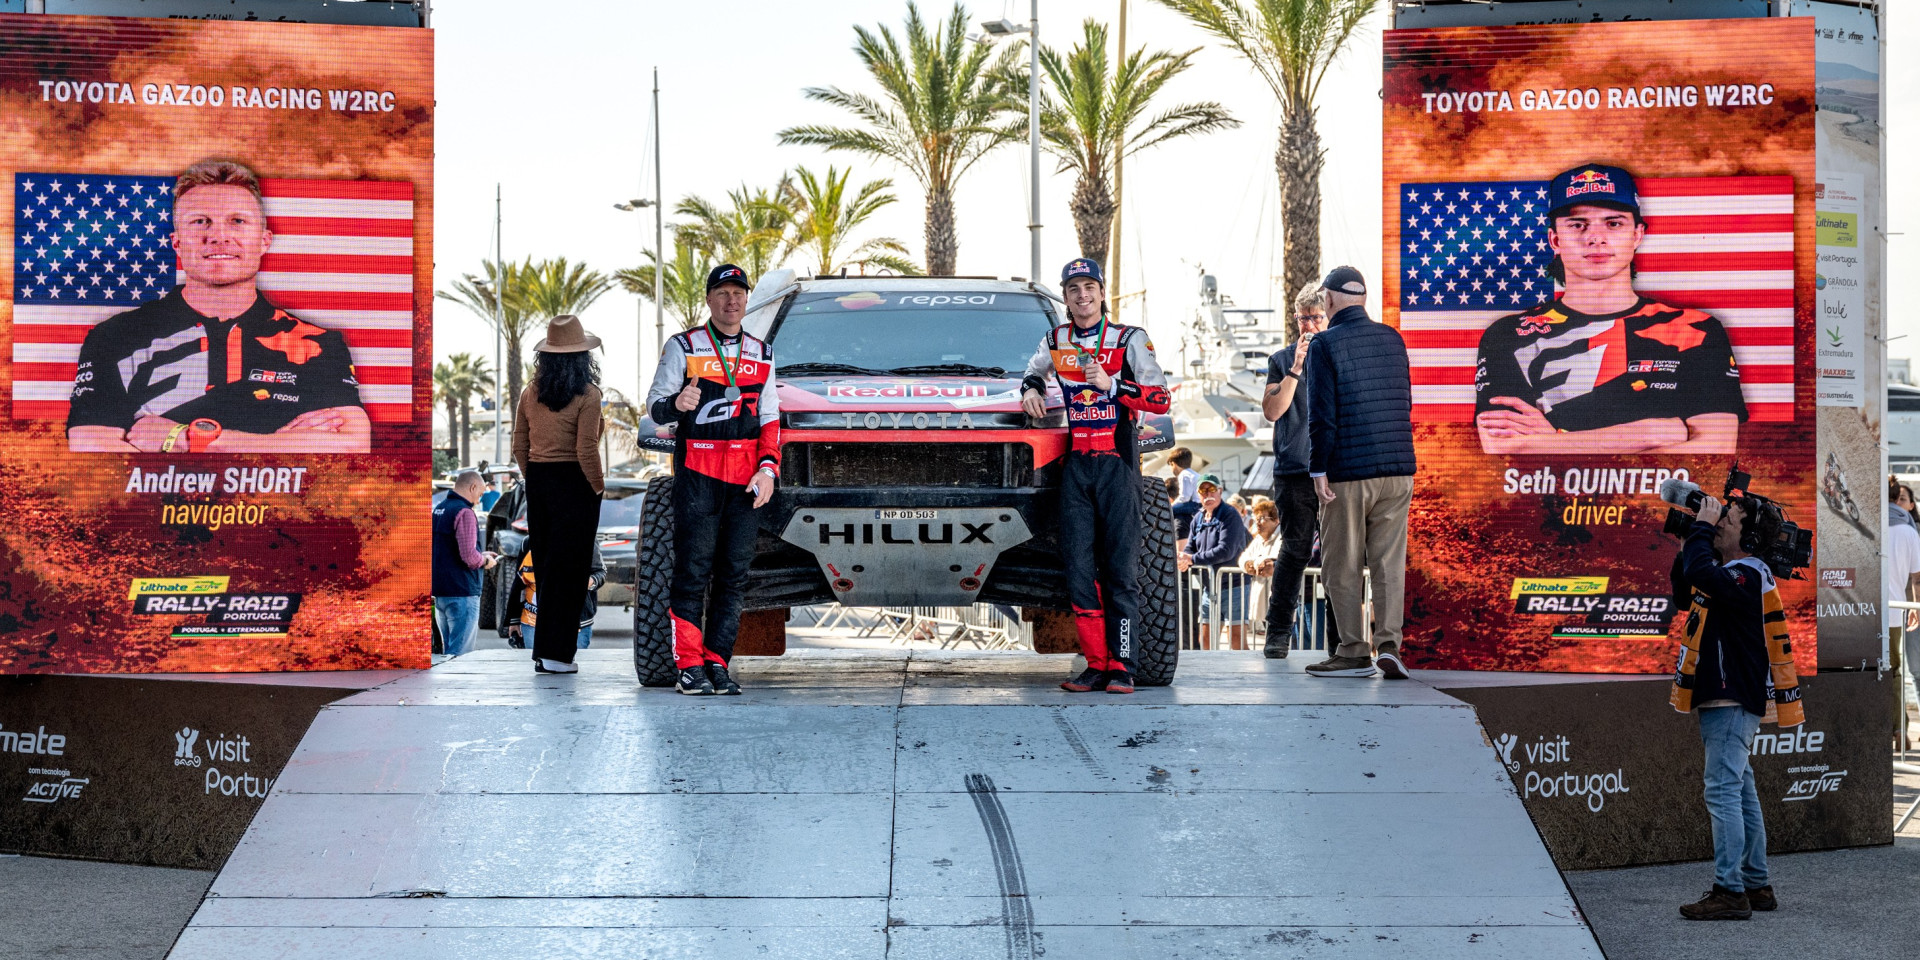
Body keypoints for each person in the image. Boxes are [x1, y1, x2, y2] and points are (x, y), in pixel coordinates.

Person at [66, 159, 370, 453]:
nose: (219, 236)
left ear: (264, 241)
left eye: (237, 221)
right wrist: (279, 445)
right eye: (200, 222)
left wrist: (185, 439)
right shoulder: (115, 336)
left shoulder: (318, 344)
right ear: (177, 242)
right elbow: (89, 444)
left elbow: (353, 444)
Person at [1475, 163, 1746, 456]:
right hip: (1548, 490)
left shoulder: (1695, 329)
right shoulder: (1509, 334)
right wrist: (1656, 432)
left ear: (1637, 235)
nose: (1596, 238)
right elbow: (1502, 447)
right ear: (1555, 239)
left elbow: (1716, 448)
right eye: (1577, 225)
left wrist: (1554, 442)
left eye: (1613, 223)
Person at [1021, 256, 1171, 694]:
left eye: (1089, 287)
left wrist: (1113, 385)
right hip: (1077, 467)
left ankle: (1122, 666)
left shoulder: (1129, 338)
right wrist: (1030, 389)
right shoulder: (1056, 339)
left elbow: (1161, 399)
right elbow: (1032, 371)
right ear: (1066, 298)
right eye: (1074, 289)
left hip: (1117, 465)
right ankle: (1095, 665)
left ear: (1102, 293)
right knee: (1080, 570)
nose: (1082, 295)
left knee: (1121, 570)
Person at [646, 263, 780, 696]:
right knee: (692, 572)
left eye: (738, 293)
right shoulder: (683, 345)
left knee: (734, 576)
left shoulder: (762, 352)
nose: (731, 300)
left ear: (747, 299)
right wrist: (675, 404)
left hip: (745, 482)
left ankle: (717, 663)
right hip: (698, 475)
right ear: (709, 299)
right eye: (723, 293)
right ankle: (688, 665)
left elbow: (770, 418)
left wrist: (768, 469)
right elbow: (653, 405)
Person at [1668, 493, 1803, 921]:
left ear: (1749, 537)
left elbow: (1700, 572)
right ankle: (1756, 884)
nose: (1719, 521)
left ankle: (1729, 890)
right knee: (1741, 791)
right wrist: (1691, 540)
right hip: (1727, 698)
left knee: (1723, 791)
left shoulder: (1747, 574)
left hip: (1730, 698)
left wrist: (1701, 532)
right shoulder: (1730, 574)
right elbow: (1684, 593)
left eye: (1727, 517)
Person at [1304, 266, 1417, 680]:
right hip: (1399, 468)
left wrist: (1318, 468)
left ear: (1329, 299)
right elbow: (1404, 401)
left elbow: (1322, 416)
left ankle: (1352, 652)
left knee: (1342, 564)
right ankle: (1389, 646)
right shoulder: (1393, 339)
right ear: (1363, 298)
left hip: (1349, 472)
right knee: (1388, 564)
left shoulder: (1324, 344)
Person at [512, 315, 606, 675]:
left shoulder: (530, 393)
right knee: (572, 571)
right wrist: (597, 486)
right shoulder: (589, 395)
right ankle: (558, 656)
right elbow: (586, 449)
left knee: (547, 568)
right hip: (575, 482)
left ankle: (543, 652)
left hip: (539, 480)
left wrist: (535, 479)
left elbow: (519, 445)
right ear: (583, 357)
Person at [1261, 285, 1330, 659]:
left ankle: (1341, 640)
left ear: (1328, 316)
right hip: (1294, 470)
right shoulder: (1281, 359)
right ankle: (1277, 633)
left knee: (1339, 554)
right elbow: (1273, 411)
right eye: (1304, 318)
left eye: (1316, 317)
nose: (1309, 325)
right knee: (1295, 549)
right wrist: (1297, 369)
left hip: (1334, 471)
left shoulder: (1337, 353)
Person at [430, 470, 498, 657]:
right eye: (480, 494)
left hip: (441, 592)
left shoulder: (440, 509)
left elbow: (449, 548)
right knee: (460, 656)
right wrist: (485, 560)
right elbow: (469, 557)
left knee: (446, 654)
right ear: (473, 487)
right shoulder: (464, 512)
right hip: (462, 592)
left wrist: (480, 553)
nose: (479, 500)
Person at [1183, 475, 1251, 650]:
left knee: (1236, 639)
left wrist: (1193, 559)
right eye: (1203, 490)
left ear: (1220, 491)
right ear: (1198, 494)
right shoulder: (1198, 518)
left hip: (1235, 586)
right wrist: (1183, 558)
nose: (1208, 494)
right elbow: (1190, 547)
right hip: (1210, 587)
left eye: (1212, 489)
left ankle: (1244, 669)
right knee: (1205, 639)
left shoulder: (1230, 514)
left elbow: (1226, 550)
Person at [507, 542, 605, 652]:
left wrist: (590, 581)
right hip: (533, 621)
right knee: (536, 660)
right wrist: (514, 620)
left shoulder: (586, 539)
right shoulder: (529, 542)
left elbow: (600, 572)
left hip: (577, 623)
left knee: (574, 659)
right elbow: (518, 584)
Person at [1238, 498, 1284, 651]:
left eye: (1263, 518)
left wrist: (1257, 562)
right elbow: (1243, 557)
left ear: (1276, 520)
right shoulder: (1258, 538)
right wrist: (1248, 564)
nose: (1258, 522)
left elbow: (1273, 559)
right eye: (1256, 518)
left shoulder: (1282, 535)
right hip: (1262, 597)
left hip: (1278, 597)